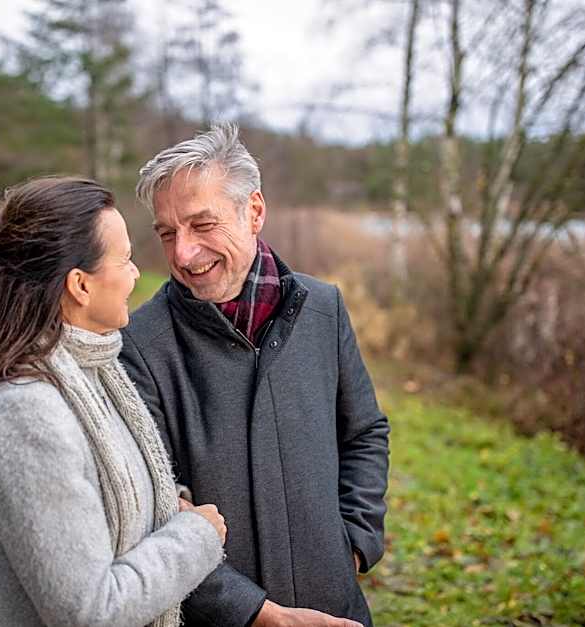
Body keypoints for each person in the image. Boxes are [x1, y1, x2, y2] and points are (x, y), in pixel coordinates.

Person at [119, 125, 390, 627]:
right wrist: (255, 612)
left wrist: (353, 543)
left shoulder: (323, 308)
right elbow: (151, 508)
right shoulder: (139, 343)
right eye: (167, 233)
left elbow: (364, 433)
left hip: (337, 606)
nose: (182, 254)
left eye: (203, 225)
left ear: (255, 212)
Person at [0, 175, 226, 627]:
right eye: (126, 260)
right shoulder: (23, 415)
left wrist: (168, 506)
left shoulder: (95, 373)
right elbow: (91, 612)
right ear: (80, 285)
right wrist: (195, 537)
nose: (136, 274)